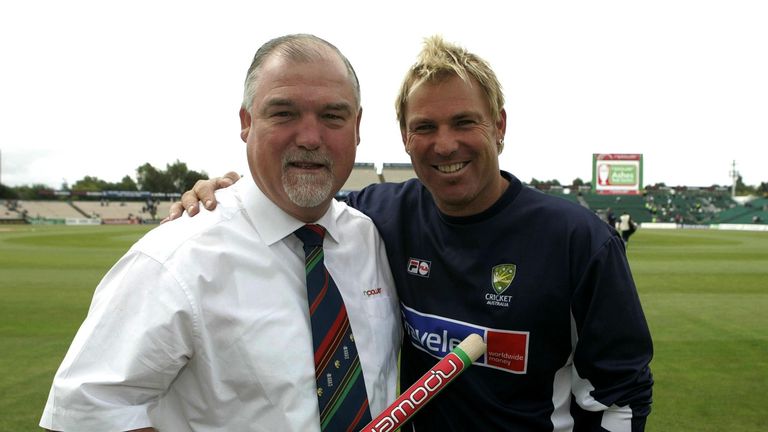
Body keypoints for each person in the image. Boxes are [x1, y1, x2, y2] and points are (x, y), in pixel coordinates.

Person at [170, 35, 654, 431]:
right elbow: (294, 198)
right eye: (425, 126)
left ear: (499, 126)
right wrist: (228, 191)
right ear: (405, 136)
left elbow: (621, 395)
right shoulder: (378, 216)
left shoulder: (578, 241)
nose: (445, 144)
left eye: (465, 122)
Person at [40, 34, 401, 432]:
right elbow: (87, 409)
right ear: (247, 123)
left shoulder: (371, 237)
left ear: (358, 126)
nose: (310, 138)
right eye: (283, 113)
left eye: (333, 116)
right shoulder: (178, 256)